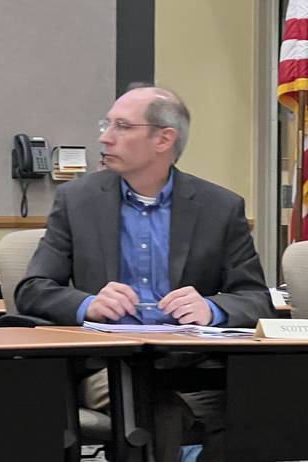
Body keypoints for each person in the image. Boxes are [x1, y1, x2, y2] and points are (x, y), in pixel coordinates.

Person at [15, 85, 275, 461]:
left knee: (265, 403)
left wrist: (211, 309)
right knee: (155, 405)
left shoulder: (220, 207)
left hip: (194, 364)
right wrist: (88, 304)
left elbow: (256, 301)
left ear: (163, 139)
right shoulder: (77, 200)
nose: (105, 136)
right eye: (106, 124)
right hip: (109, 365)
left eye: (121, 126)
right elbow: (33, 290)